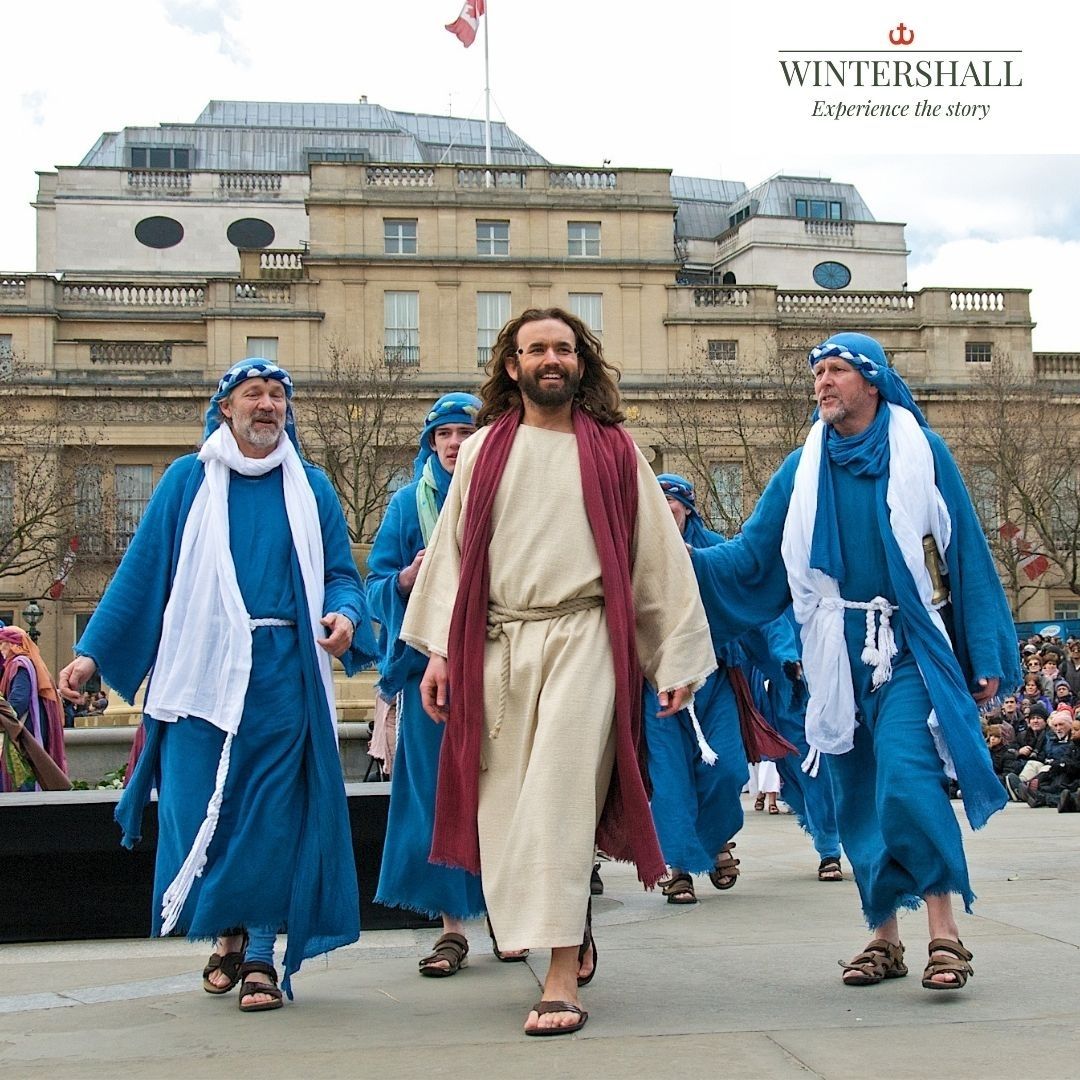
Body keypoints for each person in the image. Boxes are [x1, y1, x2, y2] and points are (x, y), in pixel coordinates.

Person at [400, 308, 716, 1035]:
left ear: (581, 362)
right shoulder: (482, 450)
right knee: (506, 810)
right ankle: (565, 924)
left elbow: (655, 561)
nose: (551, 359)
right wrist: (443, 652)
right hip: (500, 645)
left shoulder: (612, 449)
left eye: (563, 349)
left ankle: (561, 975)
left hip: (585, 641)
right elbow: (453, 553)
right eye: (535, 348)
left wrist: (671, 655)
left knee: (561, 801)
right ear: (511, 365)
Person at [689, 332, 1019, 993]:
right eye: (817, 372)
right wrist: (675, 558)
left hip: (908, 646)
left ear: (871, 380)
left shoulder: (923, 453)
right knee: (858, 793)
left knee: (906, 776)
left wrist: (983, 648)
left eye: (837, 370)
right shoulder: (800, 468)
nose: (823, 382)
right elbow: (754, 561)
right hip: (832, 653)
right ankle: (883, 936)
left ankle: (944, 932)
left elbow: (966, 555)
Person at [57, 357, 377, 1013]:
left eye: (277, 396)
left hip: (283, 671)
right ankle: (227, 933)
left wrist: (344, 614)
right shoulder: (186, 482)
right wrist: (91, 655)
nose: (267, 405)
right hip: (201, 674)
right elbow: (144, 574)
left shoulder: (309, 487)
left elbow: (341, 574)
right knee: (203, 804)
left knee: (270, 810)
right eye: (253, 394)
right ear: (225, 407)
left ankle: (259, 953)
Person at [366, 392, 492, 976]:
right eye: (443, 434)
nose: (453, 442)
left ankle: (510, 913)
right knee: (437, 800)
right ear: (430, 443)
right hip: (426, 679)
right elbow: (373, 585)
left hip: (496, 664)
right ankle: (450, 929)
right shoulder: (402, 506)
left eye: (465, 432)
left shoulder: (501, 494)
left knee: (500, 792)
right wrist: (404, 581)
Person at [642, 475, 748, 906]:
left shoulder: (717, 548)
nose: (661, 507)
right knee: (669, 780)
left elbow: (748, 601)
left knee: (726, 770)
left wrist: (786, 655)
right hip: (658, 683)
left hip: (714, 679)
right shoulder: (636, 550)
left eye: (668, 500)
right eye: (654, 500)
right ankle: (680, 868)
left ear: (686, 507)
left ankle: (717, 836)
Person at [0, 627, 68, 793]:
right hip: (31, 726)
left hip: (25, 730)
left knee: (24, 777)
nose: (0, 648)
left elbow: (19, 700)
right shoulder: (29, 662)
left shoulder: (19, 664)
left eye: (2, 643)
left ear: (12, 645)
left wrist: (4, 715)